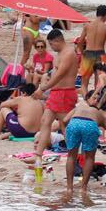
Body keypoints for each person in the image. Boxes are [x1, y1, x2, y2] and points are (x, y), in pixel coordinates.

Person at [34, 28, 81, 160]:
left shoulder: (69, 54)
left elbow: (60, 75)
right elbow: (54, 73)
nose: (51, 47)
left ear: (58, 41)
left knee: (67, 126)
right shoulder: (59, 53)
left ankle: (76, 156)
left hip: (65, 93)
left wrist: (42, 89)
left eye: (51, 44)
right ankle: (38, 155)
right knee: (45, 122)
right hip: (56, 93)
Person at [62, 97, 103, 202]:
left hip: (74, 123)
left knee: (71, 156)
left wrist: (66, 133)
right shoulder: (98, 112)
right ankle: (83, 188)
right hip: (90, 125)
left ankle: (69, 188)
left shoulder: (79, 107)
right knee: (89, 158)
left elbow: (65, 120)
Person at [79, 6, 106, 93]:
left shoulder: (87, 26)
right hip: (101, 55)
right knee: (99, 80)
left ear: (97, 14)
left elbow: (80, 41)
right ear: (105, 16)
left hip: (88, 54)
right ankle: (95, 99)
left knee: (84, 82)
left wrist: (82, 53)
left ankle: (86, 99)